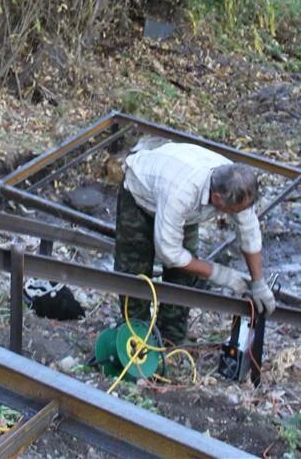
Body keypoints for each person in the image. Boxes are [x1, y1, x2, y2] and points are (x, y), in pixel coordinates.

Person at [114, 140, 275, 346]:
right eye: (233, 210)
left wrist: (259, 282)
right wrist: (221, 275)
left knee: (184, 274)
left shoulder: (236, 184)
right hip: (140, 195)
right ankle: (135, 336)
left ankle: (171, 340)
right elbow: (169, 254)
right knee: (135, 270)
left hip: (184, 210)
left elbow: (249, 231)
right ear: (217, 198)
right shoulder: (181, 192)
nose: (236, 214)